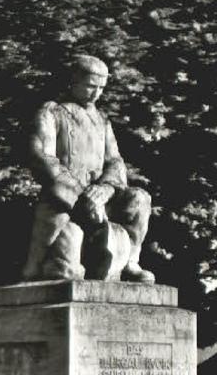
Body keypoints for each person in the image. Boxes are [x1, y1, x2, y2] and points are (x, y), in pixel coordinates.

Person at [23, 54, 155, 283]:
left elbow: (115, 161)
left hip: (101, 199)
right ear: (73, 81)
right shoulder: (52, 112)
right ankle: (37, 264)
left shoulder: (102, 120)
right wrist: (82, 193)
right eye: (91, 86)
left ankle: (131, 261)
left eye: (102, 87)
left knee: (140, 198)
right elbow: (44, 158)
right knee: (67, 273)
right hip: (66, 199)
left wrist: (106, 188)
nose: (96, 93)